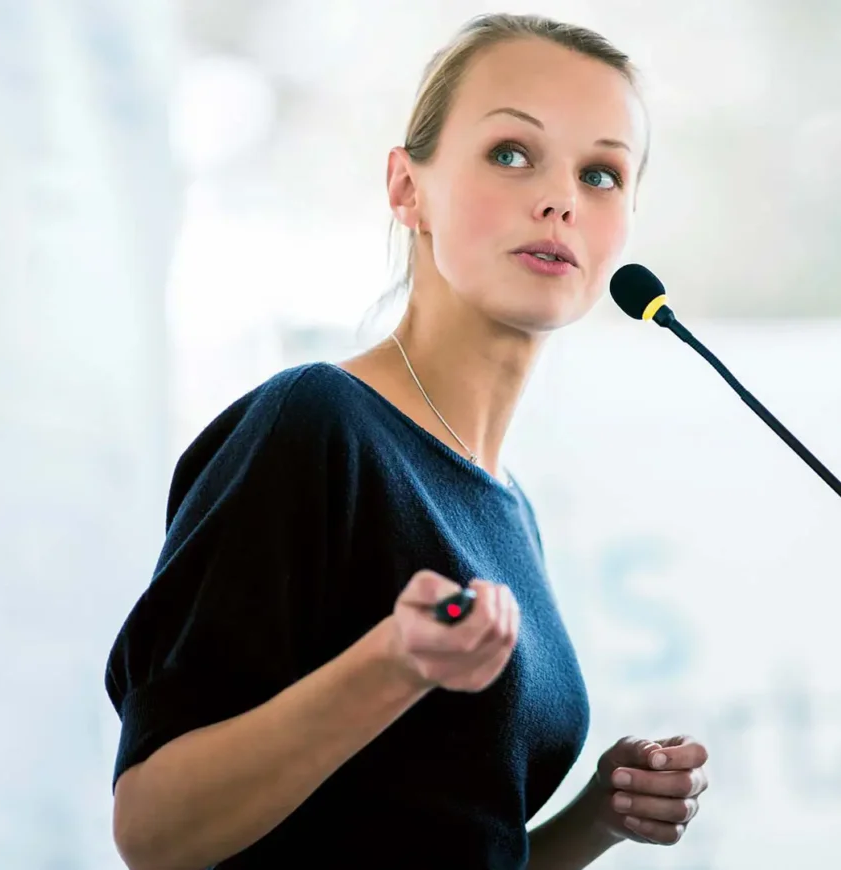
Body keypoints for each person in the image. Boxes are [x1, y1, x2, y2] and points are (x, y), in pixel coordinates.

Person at [104, 13, 711, 870]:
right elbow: (154, 832)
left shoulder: (510, 510)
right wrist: (392, 667)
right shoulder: (314, 425)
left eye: (601, 174)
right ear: (405, 188)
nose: (561, 200)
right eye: (511, 153)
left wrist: (596, 820)